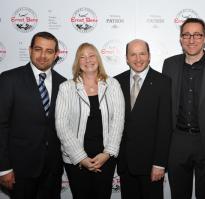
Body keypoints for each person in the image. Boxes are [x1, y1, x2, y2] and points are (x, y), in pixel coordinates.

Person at [162, 18, 205, 199]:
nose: (191, 40)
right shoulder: (169, 65)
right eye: (186, 35)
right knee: (179, 194)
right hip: (177, 141)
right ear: (180, 38)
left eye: (197, 35)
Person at [0, 31, 66, 199]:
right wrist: (4, 168)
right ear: (30, 50)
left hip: (52, 171)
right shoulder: (9, 79)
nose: (43, 55)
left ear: (56, 54)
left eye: (49, 51)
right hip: (19, 171)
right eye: (38, 49)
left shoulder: (64, 84)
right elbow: (1, 125)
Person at [55, 42, 125, 199]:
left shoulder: (113, 85)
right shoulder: (66, 87)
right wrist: (81, 157)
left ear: (98, 59)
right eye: (82, 57)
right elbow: (61, 125)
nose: (88, 60)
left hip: (105, 158)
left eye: (91, 55)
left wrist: (108, 153)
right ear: (77, 63)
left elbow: (118, 121)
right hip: (76, 160)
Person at [115, 39, 172, 199]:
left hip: (151, 165)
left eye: (142, 54)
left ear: (149, 56)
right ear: (126, 58)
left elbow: (165, 126)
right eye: (133, 54)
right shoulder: (116, 82)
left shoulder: (163, 82)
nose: (138, 59)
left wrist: (160, 163)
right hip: (126, 163)